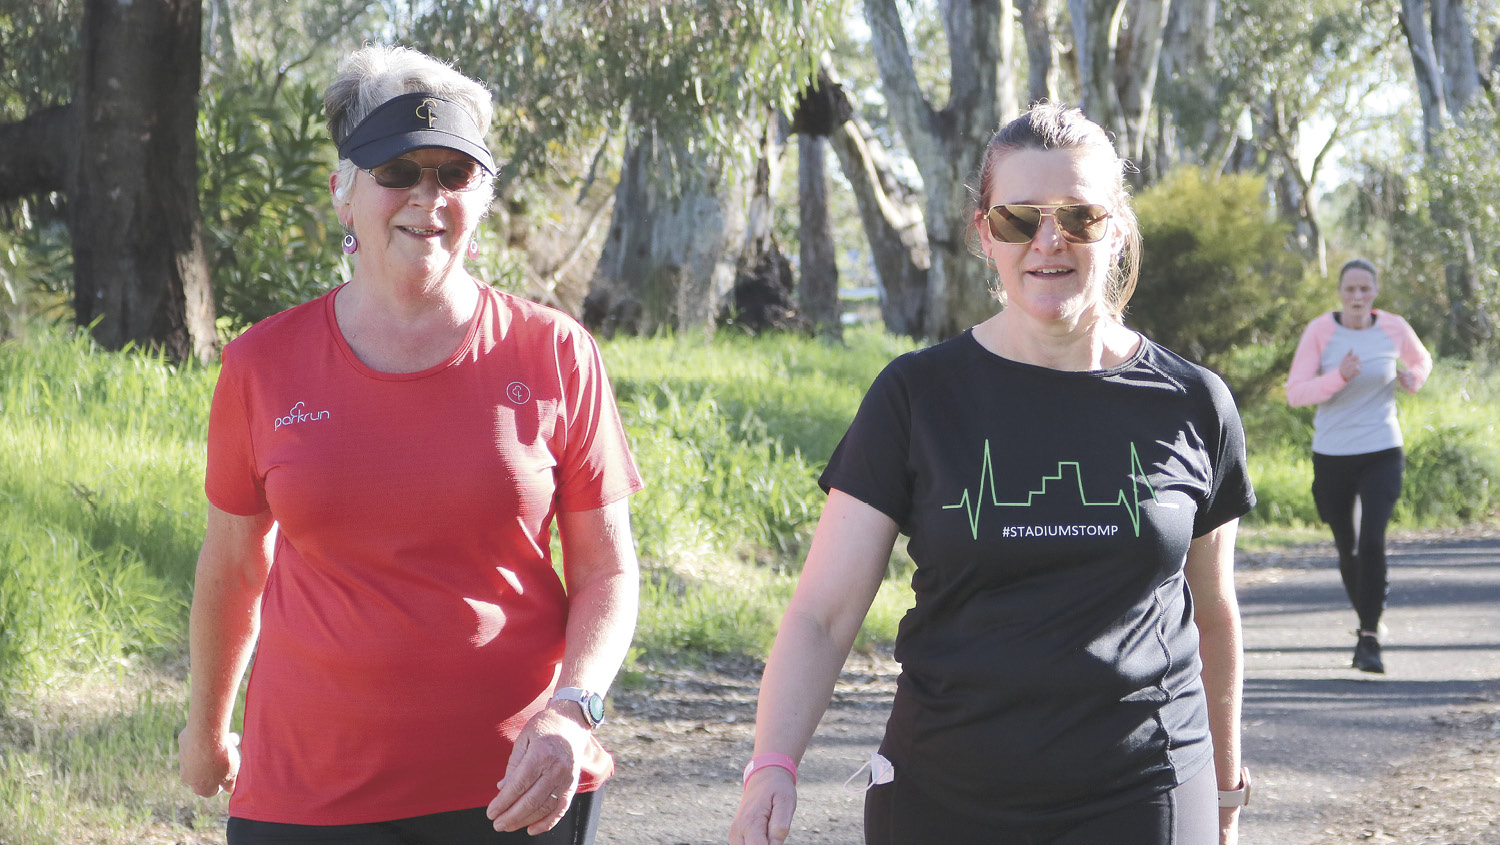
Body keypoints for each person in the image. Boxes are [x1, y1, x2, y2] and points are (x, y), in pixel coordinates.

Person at [729, 102, 1256, 845]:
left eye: (1080, 216)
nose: (1050, 241)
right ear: (984, 232)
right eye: (1020, 218)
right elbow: (822, 612)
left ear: (1118, 229)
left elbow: (1212, 610)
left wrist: (1227, 794)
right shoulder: (916, 396)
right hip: (945, 793)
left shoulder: (1194, 402)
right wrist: (772, 764)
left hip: (1144, 789)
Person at [177, 45, 643, 845]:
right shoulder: (262, 364)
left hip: (513, 792)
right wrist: (207, 728)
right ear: (343, 194)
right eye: (398, 170)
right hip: (303, 793)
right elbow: (233, 566)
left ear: (482, 197)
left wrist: (574, 709)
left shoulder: (556, 352)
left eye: (453, 174)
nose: (427, 197)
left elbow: (606, 568)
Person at [1286, 258, 1431, 674]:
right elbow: (1296, 393)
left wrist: (1412, 378)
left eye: (1364, 289)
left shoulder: (1394, 327)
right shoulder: (1320, 331)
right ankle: (1370, 617)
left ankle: (1368, 638)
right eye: (1350, 289)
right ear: (1340, 292)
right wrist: (1339, 378)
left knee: (1372, 541)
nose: (1357, 297)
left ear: (1375, 292)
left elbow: (1422, 362)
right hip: (1332, 455)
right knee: (1347, 548)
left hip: (1382, 448)